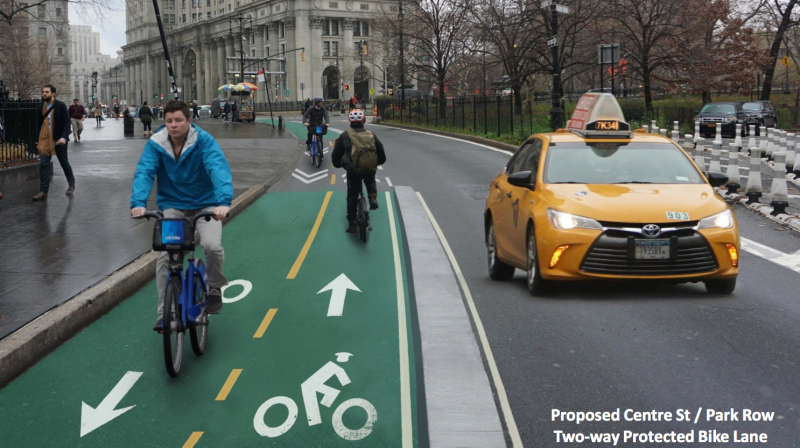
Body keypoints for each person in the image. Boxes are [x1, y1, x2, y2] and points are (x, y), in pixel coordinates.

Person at [130, 100, 233, 331]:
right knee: (167, 256)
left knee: (211, 245)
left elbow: (217, 168)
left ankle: (214, 286)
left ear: (189, 121)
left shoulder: (204, 141)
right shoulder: (156, 144)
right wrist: (138, 203)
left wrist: (223, 203)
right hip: (173, 204)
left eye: (178, 120)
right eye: (169, 121)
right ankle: (164, 314)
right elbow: (145, 171)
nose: (173, 125)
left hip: (206, 204)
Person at [332, 108, 385, 233]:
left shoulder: (345, 136)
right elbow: (381, 151)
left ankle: (352, 224)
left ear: (349, 120)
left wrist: (338, 164)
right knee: (370, 177)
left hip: (353, 170)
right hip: (369, 168)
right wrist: (378, 162)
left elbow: (336, 155)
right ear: (364, 120)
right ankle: (372, 195)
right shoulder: (371, 134)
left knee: (352, 195)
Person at [33, 84, 75, 201]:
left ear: (53, 93)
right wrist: (37, 141)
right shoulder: (40, 108)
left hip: (58, 139)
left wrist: (64, 137)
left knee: (63, 162)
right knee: (43, 164)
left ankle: (71, 184)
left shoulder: (60, 106)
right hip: (45, 140)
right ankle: (43, 191)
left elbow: (67, 123)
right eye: (43, 92)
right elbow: (39, 126)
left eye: (46, 92)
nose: (44, 94)